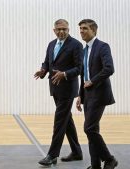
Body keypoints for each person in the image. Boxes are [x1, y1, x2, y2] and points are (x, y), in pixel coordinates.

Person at [34, 19, 83, 166]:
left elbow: (79, 68)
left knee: (59, 121)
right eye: (59, 29)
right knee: (66, 120)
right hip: (55, 88)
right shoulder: (51, 44)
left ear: (69, 30)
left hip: (68, 89)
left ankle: (52, 155)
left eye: (65, 29)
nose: (62, 31)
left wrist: (65, 74)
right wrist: (43, 71)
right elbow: (48, 62)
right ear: (54, 30)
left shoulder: (76, 45)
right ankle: (77, 152)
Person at [77, 19, 118, 169]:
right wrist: (80, 95)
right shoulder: (84, 50)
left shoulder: (102, 46)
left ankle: (109, 159)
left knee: (88, 128)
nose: (81, 31)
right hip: (87, 95)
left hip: (100, 94)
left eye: (85, 28)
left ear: (94, 30)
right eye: (80, 28)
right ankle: (95, 166)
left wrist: (93, 81)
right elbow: (83, 75)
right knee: (92, 130)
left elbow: (109, 69)